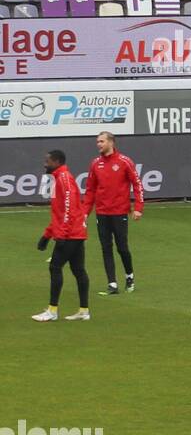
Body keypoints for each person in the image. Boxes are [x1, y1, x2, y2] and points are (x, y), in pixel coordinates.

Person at [32, 149, 91, 322]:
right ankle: (84, 310)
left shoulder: (63, 179)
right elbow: (58, 213)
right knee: (78, 270)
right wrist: (47, 235)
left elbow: (69, 209)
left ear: (57, 162)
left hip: (71, 234)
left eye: (48, 161)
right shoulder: (59, 179)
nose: (45, 164)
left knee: (55, 267)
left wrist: (62, 234)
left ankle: (52, 310)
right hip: (76, 232)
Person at [82, 131, 143, 295]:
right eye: (97, 142)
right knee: (106, 248)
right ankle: (112, 284)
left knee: (122, 248)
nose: (99, 144)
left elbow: (137, 185)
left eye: (101, 141)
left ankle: (129, 276)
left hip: (119, 212)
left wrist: (138, 208)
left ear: (111, 142)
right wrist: (84, 213)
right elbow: (90, 191)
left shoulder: (124, 162)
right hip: (102, 213)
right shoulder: (95, 164)